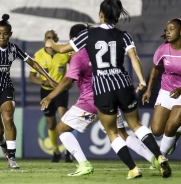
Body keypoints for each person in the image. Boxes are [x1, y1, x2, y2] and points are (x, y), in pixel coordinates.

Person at [44, 0, 171, 179]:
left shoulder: (87, 37)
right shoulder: (124, 35)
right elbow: (133, 57)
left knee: (106, 132)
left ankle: (129, 168)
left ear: (100, 14)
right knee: (135, 127)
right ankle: (158, 157)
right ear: (117, 15)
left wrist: (51, 43)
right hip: (124, 85)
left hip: (101, 92)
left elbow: (63, 53)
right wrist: (141, 79)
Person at [0, 14, 57, 169]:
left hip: (5, 88)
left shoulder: (13, 49)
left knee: (8, 117)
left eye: (5, 34)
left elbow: (33, 63)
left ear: (10, 34)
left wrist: (49, 78)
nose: (2, 37)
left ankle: (12, 159)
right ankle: (3, 145)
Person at [29, 29, 72, 162]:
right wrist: (43, 81)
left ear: (56, 40)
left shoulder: (64, 53)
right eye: (48, 37)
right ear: (44, 40)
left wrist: (69, 82)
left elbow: (74, 68)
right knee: (51, 124)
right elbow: (31, 77)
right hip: (46, 91)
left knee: (63, 118)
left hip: (60, 91)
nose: (50, 40)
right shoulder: (38, 55)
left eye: (53, 38)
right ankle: (56, 151)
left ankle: (68, 151)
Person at [142, 18, 181, 156]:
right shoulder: (163, 49)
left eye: (172, 29)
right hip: (166, 91)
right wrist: (148, 90)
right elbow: (155, 69)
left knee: (170, 127)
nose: (168, 32)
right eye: (167, 30)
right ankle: (175, 133)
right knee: (156, 130)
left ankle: (161, 157)